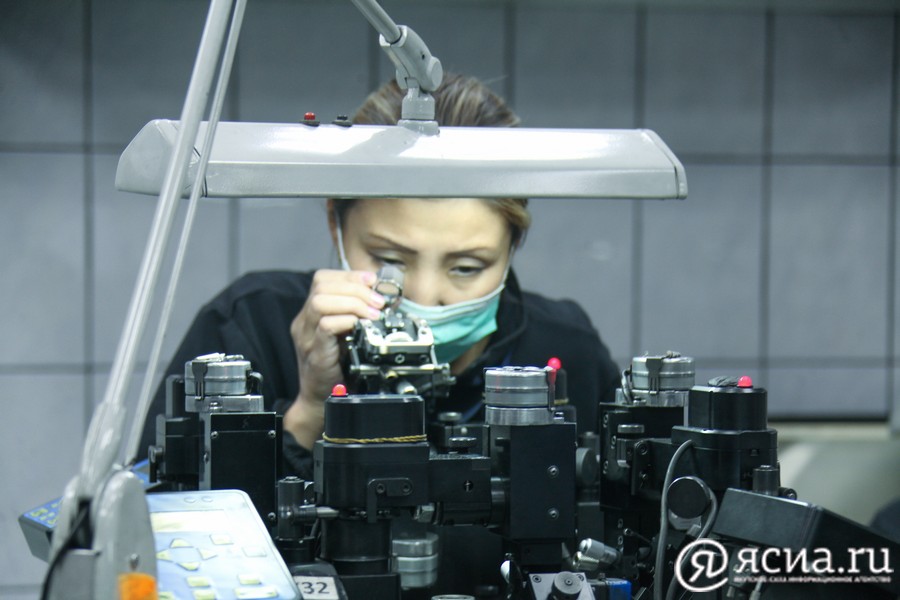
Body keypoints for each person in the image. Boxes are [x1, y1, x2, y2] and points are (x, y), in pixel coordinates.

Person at [140, 73, 620, 596]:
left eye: (466, 268)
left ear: (512, 247)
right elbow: (161, 550)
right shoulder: (249, 327)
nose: (426, 295)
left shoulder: (565, 350)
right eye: (390, 262)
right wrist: (309, 412)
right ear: (336, 224)